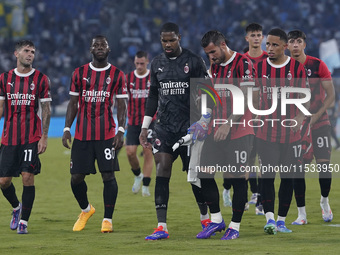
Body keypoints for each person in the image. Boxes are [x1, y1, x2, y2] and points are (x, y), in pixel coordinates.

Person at [139, 22, 209, 240]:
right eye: (164, 40)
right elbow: (152, 96)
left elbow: (208, 92)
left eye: (171, 40)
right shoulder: (157, 63)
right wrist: (145, 127)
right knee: (162, 169)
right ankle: (161, 226)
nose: (168, 44)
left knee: (193, 176)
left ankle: (206, 219)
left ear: (179, 37)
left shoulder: (194, 61)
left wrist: (205, 120)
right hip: (164, 129)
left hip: (189, 128)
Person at [62, 35, 127, 233]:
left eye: (103, 45)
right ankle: (86, 209)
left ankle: (107, 219)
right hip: (82, 134)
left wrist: (121, 130)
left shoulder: (117, 75)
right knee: (76, 178)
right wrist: (66, 128)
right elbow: (73, 103)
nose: (99, 48)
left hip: (107, 134)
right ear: (91, 49)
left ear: (109, 50)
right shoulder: (79, 73)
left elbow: (122, 105)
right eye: (96, 45)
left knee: (108, 175)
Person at [195, 30, 256, 240]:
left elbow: (247, 98)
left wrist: (228, 124)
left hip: (239, 130)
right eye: (207, 53)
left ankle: (235, 226)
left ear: (222, 44)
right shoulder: (214, 66)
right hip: (216, 129)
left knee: (238, 178)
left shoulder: (244, 64)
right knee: (204, 173)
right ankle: (217, 220)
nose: (210, 56)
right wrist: (204, 120)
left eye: (213, 51)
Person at [256, 28, 309, 234]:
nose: (269, 48)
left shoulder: (296, 68)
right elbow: (252, 97)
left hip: (291, 135)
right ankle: (269, 219)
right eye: (267, 44)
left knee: (288, 178)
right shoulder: (259, 68)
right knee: (267, 177)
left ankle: (281, 221)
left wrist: (299, 116)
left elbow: (305, 97)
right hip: (265, 133)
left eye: (274, 45)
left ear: (285, 47)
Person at [0, 40, 51, 234]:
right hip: (9, 138)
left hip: (31, 137)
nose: (30, 54)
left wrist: (44, 136)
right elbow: (1, 107)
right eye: (26, 51)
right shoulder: (4, 79)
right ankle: (16, 207)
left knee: (27, 177)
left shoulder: (41, 79)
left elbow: (46, 109)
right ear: (16, 54)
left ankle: (24, 222)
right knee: (3, 181)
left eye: (33, 52)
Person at [287, 29, 335, 224]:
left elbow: (331, 96)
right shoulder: (284, 68)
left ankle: (324, 201)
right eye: (292, 42)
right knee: (298, 169)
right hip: (297, 125)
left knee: (324, 165)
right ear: (287, 46)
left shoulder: (317, 65)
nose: (295, 45)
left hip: (320, 122)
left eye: (299, 41)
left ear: (304, 44)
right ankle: (302, 215)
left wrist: (316, 115)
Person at [243, 23, 268, 215]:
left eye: (259, 35)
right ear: (247, 38)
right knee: (247, 160)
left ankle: (260, 199)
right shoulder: (241, 61)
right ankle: (244, 197)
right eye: (253, 35)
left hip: (268, 117)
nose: (257, 38)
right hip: (246, 118)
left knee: (264, 160)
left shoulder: (270, 59)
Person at [125, 51, 153, 197]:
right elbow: (122, 100)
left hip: (150, 123)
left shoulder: (153, 78)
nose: (140, 66)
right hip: (133, 122)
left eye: (142, 63)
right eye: (137, 63)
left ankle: (146, 187)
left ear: (147, 62)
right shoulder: (128, 79)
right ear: (134, 63)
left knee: (148, 152)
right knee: (130, 152)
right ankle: (138, 176)